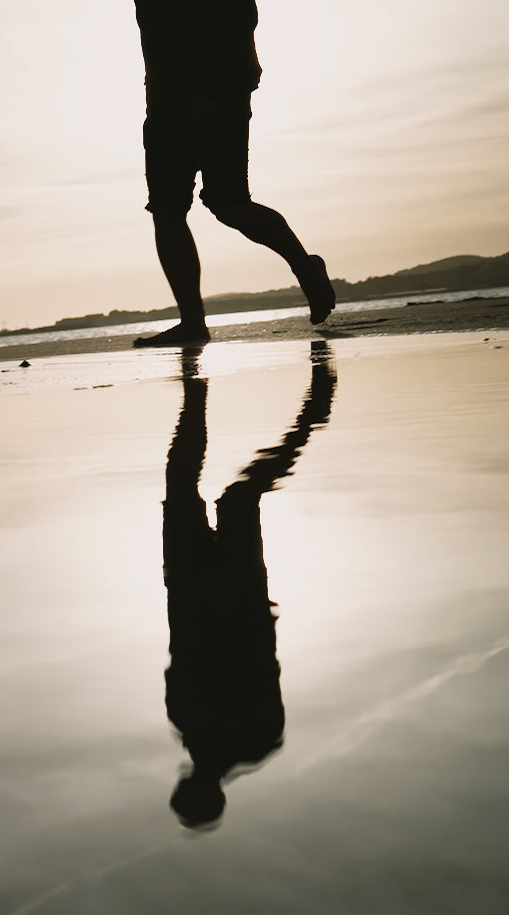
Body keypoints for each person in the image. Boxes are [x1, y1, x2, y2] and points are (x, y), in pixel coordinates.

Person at [128, 0, 335, 348]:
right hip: (165, 103)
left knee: (228, 202)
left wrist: (216, 90)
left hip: (216, 89)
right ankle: (193, 323)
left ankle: (305, 267)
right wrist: (160, 104)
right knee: (167, 209)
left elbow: (235, 12)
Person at [161, 342, 336, 828]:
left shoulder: (219, 735)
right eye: (187, 788)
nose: (184, 779)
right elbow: (251, 662)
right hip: (223, 597)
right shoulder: (253, 738)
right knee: (234, 497)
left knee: (201, 490)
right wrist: (229, 600)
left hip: (195, 593)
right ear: (197, 789)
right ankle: (311, 414)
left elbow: (184, 654)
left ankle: (198, 399)